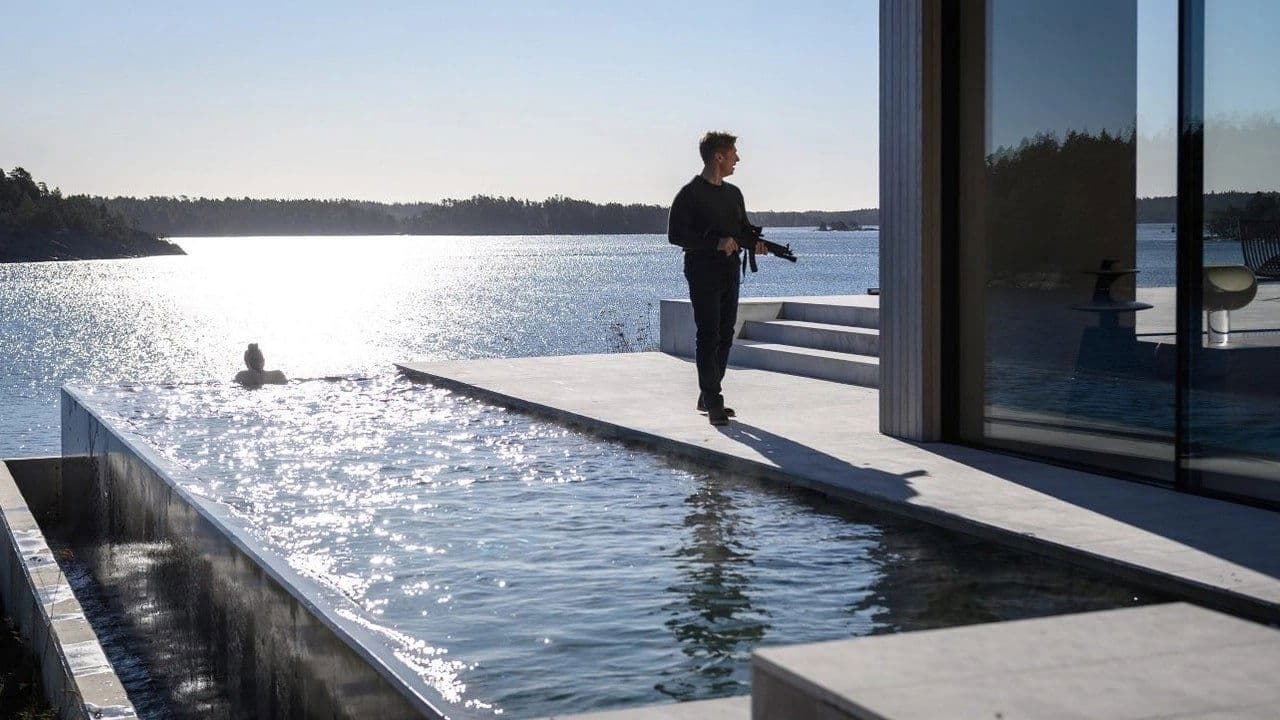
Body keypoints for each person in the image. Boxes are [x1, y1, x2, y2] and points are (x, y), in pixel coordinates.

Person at [667, 131, 767, 426]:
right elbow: (675, 235)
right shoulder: (689, 194)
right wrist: (715, 243)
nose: (738, 159)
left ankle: (707, 395)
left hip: (730, 271)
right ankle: (713, 401)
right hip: (702, 270)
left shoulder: (734, 194)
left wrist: (756, 244)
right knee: (708, 334)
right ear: (718, 157)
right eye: (733, 154)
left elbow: (742, 231)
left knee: (725, 334)